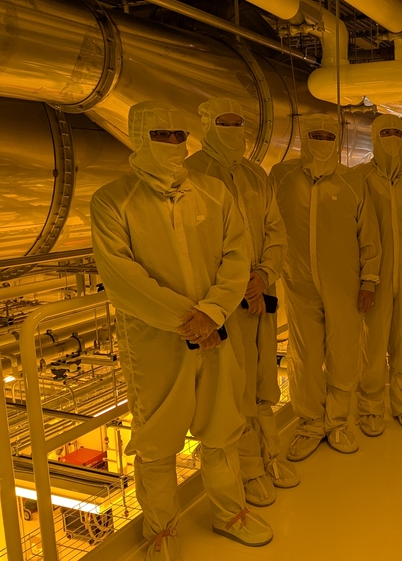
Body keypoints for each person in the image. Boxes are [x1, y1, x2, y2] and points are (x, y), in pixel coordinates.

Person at [91, 101, 273, 560]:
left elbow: (237, 254)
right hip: (156, 343)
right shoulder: (114, 200)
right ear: (138, 138)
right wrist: (186, 319)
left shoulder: (213, 192)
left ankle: (230, 513)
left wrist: (211, 312)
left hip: (215, 331)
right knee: (157, 441)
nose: (173, 144)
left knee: (221, 429)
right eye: (162, 136)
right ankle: (161, 531)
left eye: (178, 136)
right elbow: (122, 275)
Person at [186, 97, 299, 510]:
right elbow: (195, 249)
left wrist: (263, 276)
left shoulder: (256, 174)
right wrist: (237, 285)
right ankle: (248, 470)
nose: (233, 130)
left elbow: (275, 229)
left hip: (258, 298)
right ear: (206, 124)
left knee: (264, 380)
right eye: (224, 122)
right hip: (220, 304)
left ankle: (272, 455)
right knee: (232, 390)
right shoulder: (192, 174)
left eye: (239, 123)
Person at [271, 114, 381, 461]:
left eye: (327, 135)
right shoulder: (283, 177)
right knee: (304, 358)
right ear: (306, 138)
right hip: (299, 284)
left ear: (337, 140)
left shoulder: (351, 182)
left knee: (345, 355)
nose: (321, 140)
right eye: (314, 135)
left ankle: (337, 423)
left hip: (345, 287)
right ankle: (309, 424)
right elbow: (268, 225)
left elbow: (369, 235)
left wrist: (369, 281)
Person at [354, 114, 402, 436]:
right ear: (373, 136)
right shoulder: (359, 178)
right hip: (374, 277)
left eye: (396, 133)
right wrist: (364, 278)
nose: (391, 138)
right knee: (372, 343)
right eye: (384, 132)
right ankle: (370, 408)